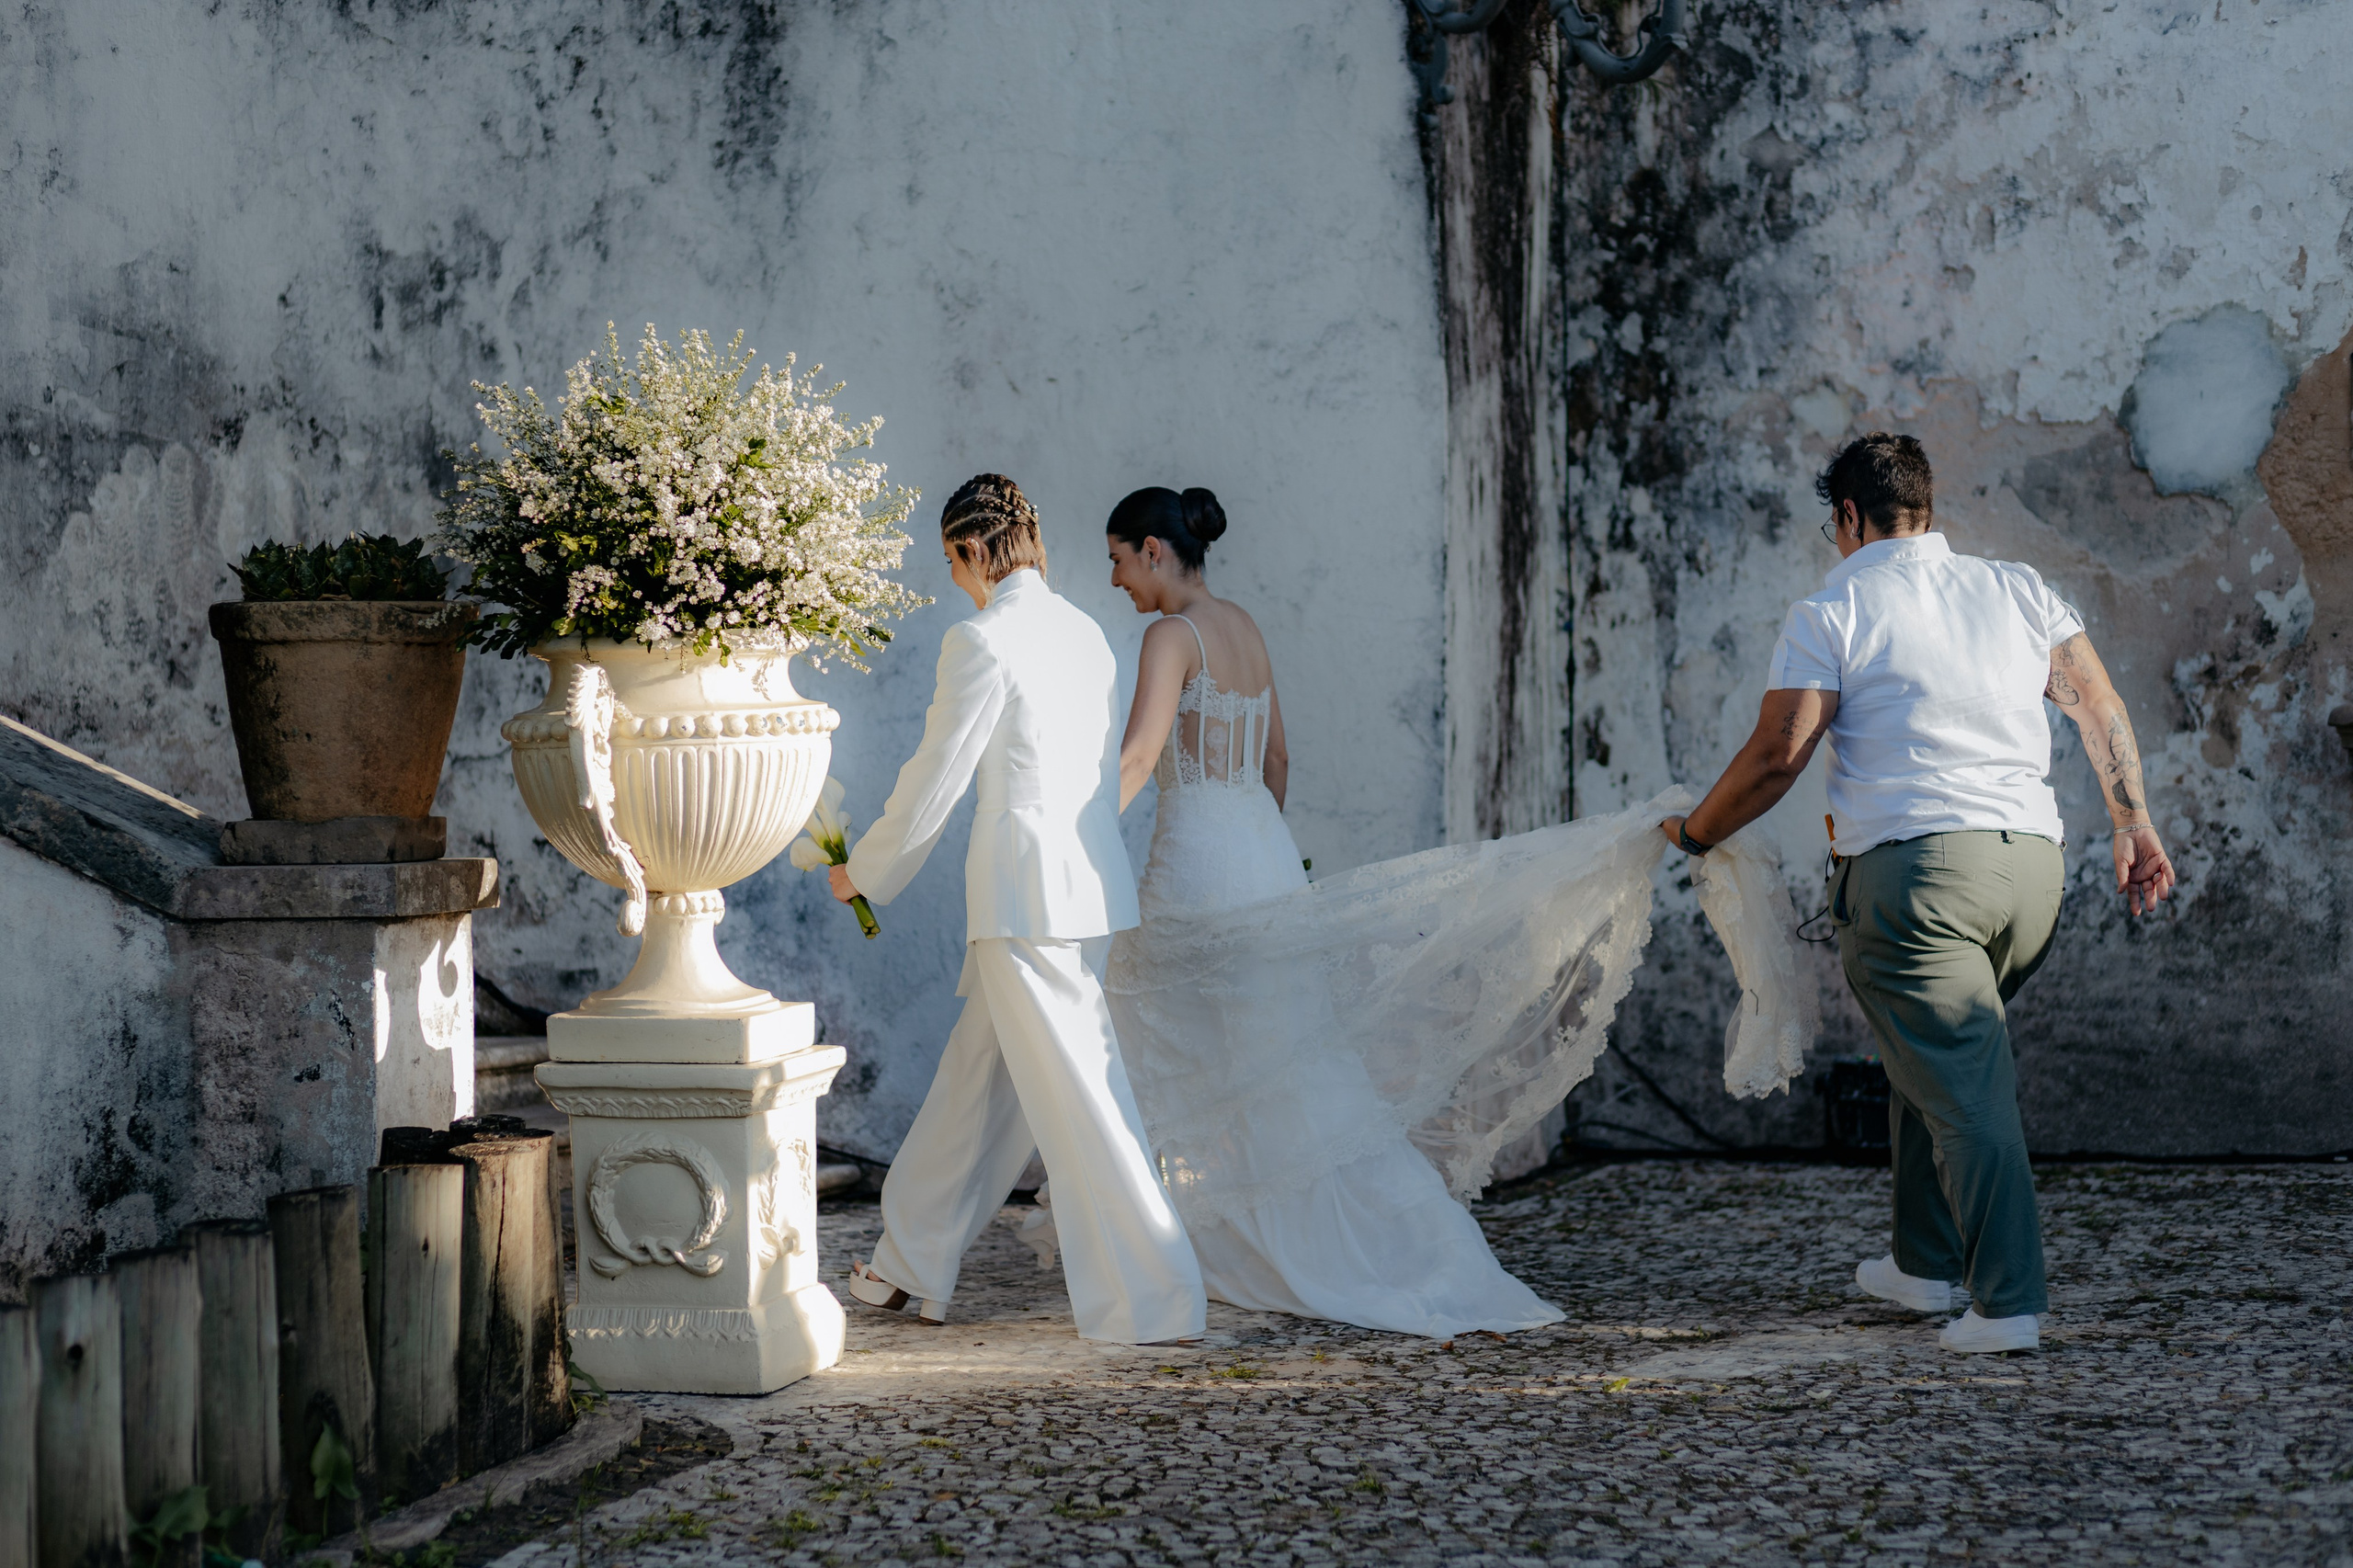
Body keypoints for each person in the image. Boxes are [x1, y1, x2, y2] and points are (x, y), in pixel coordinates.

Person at [1661, 432, 2175, 1355]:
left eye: (1834, 523)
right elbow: (2099, 705)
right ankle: (1921, 1261)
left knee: (1965, 1088)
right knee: (1929, 1058)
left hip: (1916, 885)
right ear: (1926, 508)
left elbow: (1781, 753)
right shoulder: (2017, 588)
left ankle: (2007, 1301)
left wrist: (1697, 830)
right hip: (2029, 878)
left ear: (1849, 516)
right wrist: (2133, 821)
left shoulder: (1833, 606)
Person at [1083, 485, 1598, 1338]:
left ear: (1152, 550)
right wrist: (1257, 847)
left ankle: (1200, 1239)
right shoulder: (1243, 625)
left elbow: (1140, 753)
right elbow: (1279, 758)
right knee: (1287, 1061)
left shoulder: (1169, 635)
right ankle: (1307, 1229)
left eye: (1115, 558)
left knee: (1169, 1042)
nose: (1113, 579)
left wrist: (1086, 837)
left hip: (1200, 862)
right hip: (1262, 853)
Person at [827, 473, 1207, 1346]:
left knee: (1085, 1100)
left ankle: (1157, 1294)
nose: (955, 582)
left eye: (953, 563)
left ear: (970, 550)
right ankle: (907, 1264)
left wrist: (867, 872)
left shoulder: (982, 641)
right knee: (978, 1087)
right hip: (1085, 890)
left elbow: (936, 778)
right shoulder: (1086, 635)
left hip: (1024, 900)